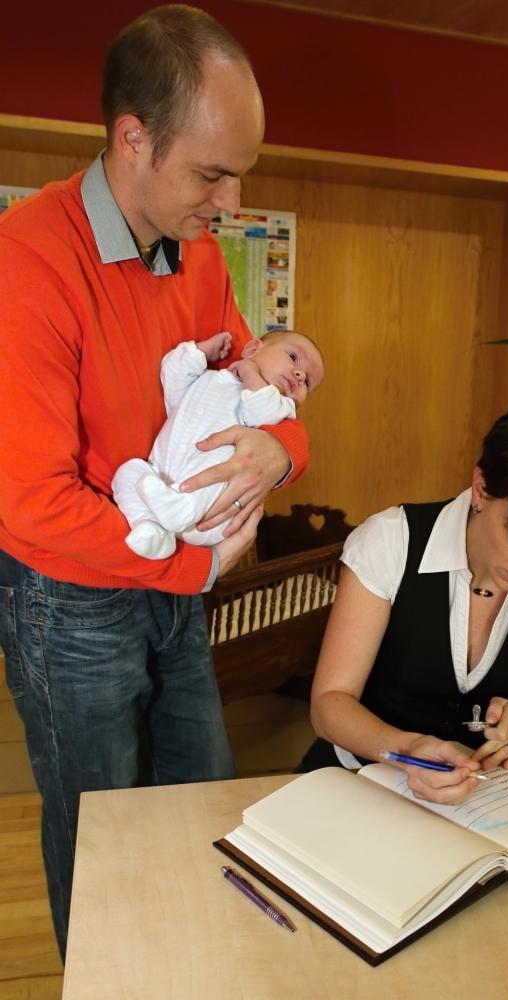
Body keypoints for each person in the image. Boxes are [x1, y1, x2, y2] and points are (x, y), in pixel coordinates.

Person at [0, 5, 310, 958]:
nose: (231, 200)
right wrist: (193, 567)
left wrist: (284, 451)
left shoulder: (199, 251)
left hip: (173, 581)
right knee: (101, 829)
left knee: (199, 800)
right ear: (133, 138)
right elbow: (29, 502)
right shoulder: (27, 261)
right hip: (71, 600)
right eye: (212, 173)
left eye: (241, 174)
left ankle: (185, 970)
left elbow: (256, 382)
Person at [299, 393, 508, 806]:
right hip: (361, 777)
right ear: (481, 488)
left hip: (486, 798)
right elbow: (328, 705)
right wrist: (407, 748)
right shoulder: (391, 542)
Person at [112, 329, 324, 558]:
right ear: (253, 349)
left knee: (226, 465)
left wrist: (251, 373)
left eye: (307, 382)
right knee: (128, 473)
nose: (300, 375)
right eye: (293, 357)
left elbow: (264, 411)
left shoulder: (281, 407)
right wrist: (202, 351)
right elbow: (172, 374)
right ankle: (149, 527)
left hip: (209, 514)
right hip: (161, 479)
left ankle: (181, 510)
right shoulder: (207, 379)